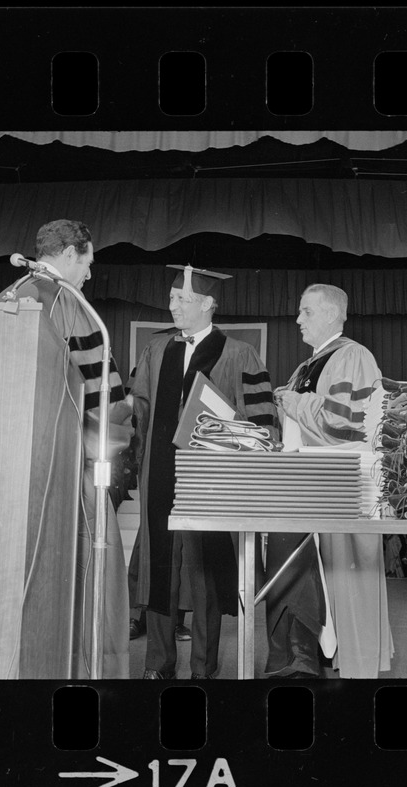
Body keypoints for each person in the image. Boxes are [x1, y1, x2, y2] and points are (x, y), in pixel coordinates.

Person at [0, 219, 133, 678]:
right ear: (70, 253)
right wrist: (117, 438)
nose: (90, 273)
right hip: (68, 466)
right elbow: (106, 404)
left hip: (12, 466)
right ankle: (91, 671)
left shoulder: (10, 296)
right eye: (88, 261)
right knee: (96, 565)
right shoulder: (70, 305)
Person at [130, 264, 279, 679]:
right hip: (160, 475)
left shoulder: (238, 353)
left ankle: (203, 668)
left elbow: (260, 425)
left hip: (210, 479)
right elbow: (139, 411)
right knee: (160, 569)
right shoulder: (156, 350)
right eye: (173, 297)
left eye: (182, 299)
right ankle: (157, 665)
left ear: (208, 304)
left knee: (205, 574)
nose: (172, 305)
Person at [269, 283, 393, 678]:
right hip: (314, 485)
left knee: (349, 580)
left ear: (330, 314)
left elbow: (342, 423)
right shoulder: (310, 363)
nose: (298, 319)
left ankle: (360, 672)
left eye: (306, 311)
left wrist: (291, 400)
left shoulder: (353, 355)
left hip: (345, 485)